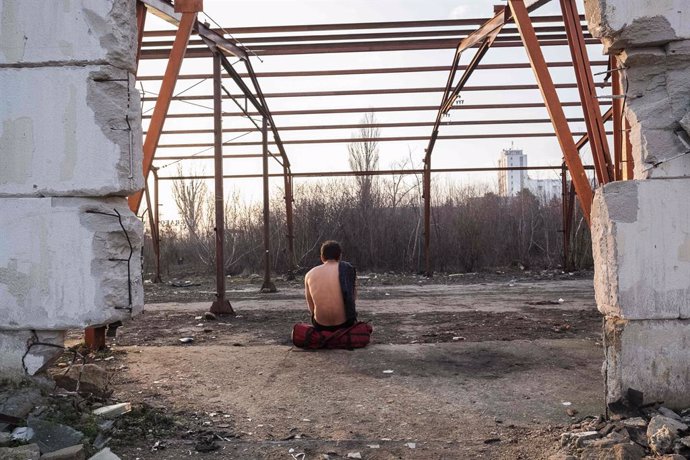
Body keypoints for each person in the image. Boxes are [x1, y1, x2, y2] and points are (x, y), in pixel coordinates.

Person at [304, 240, 357, 331]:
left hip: (320, 325)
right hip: (344, 324)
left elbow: (311, 307)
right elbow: (352, 298)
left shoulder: (309, 274)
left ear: (322, 257)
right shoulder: (347, 269)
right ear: (340, 256)